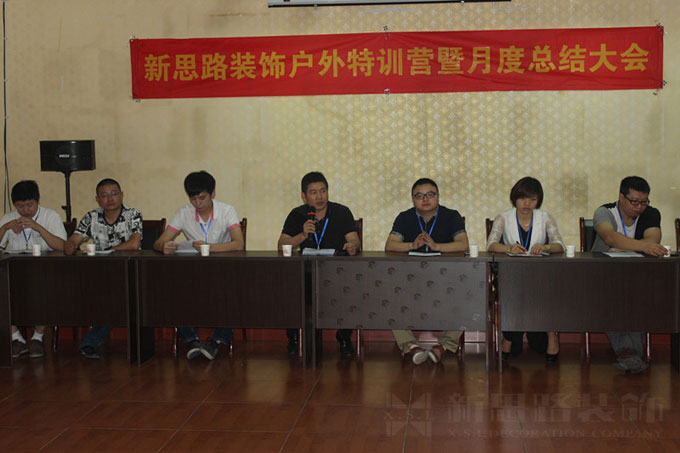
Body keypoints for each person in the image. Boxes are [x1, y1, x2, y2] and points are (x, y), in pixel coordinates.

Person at [153, 171, 244, 361]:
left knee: (236, 293)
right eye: (193, 198)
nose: (197, 203)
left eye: (202, 197)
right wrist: (163, 247)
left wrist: (209, 248)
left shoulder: (226, 211)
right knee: (172, 292)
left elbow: (238, 244)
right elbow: (158, 242)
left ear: (213, 193)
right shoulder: (183, 213)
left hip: (223, 268)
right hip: (193, 270)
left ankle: (216, 341)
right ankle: (192, 340)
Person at [385, 178, 468, 364]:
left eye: (430, 195)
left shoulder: (451, 216)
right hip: (411, 277)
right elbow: (390, 245)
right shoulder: (405, 217)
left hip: (446, 278)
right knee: (392, 293)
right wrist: (412, 245)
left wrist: (437, 246)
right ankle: (410, 346)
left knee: (466, 293)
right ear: (413, 199)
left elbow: (463, 244)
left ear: (438, 196)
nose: (425, 199)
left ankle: (443, 346)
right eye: (419, 196)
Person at [278, 171, 361, 358]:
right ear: (304, 196)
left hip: (336, 271)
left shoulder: (341, 212)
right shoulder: (297, 214)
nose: (320, 197)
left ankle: (344, 336)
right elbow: (281, 245)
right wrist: (302, 236)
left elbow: (354, 240)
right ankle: (294, 337)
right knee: (289, 285)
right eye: (313, 192)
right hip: (306, 271)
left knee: (352, 286)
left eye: (323, 191)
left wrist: (352, 246)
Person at [591, 176, 666, 374]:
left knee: (639, 296)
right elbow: (609, 236)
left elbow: (653, 239)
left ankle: (628, 353)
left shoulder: (651, 213)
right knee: (612, 297)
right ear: (621, 197)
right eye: (634, 202)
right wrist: (643, 246)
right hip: (604, 273)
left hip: (637, 274)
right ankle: (628, 352)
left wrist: (633, 246)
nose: (639, 207)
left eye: (644, 202)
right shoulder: (604, 212)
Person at [486, 177, 564, 362]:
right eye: (522, 198)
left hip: (538, 272)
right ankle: (509, 337)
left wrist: (546, 247)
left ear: (538, 200)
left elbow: (559, 245)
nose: (527, 203)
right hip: (511, 272)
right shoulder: (503, 217)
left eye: (532, 199)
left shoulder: (545, 217)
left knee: (548, 288)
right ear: (515, 198)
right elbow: (491, 245)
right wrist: (508, 248)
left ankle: (551, 333)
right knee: (512, 290)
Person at [65, 178, 143, 359]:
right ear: (97, 199)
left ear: (122, 195)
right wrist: (70, 245)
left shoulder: (133, 214)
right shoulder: (91, 217)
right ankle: (90, 342)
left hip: (129, 269)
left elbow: (133, 244)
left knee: (115, 296)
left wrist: (107, 251)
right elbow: (75, 240)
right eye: (105, 195)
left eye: (114, 194)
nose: (110, 199)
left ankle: (91, 342)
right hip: (100, 272)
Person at [0, 180, 67, 359]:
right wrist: (5, 228)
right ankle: (16, 338)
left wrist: (38, 227)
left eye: (30, 205)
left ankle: (38, 337)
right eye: (20, 206)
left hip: (44, 270)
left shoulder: (50, 216)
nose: (25, 210)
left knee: (47, 287)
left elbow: (62, 247)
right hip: (15, 270)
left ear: (37, 201)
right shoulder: (8, 218)